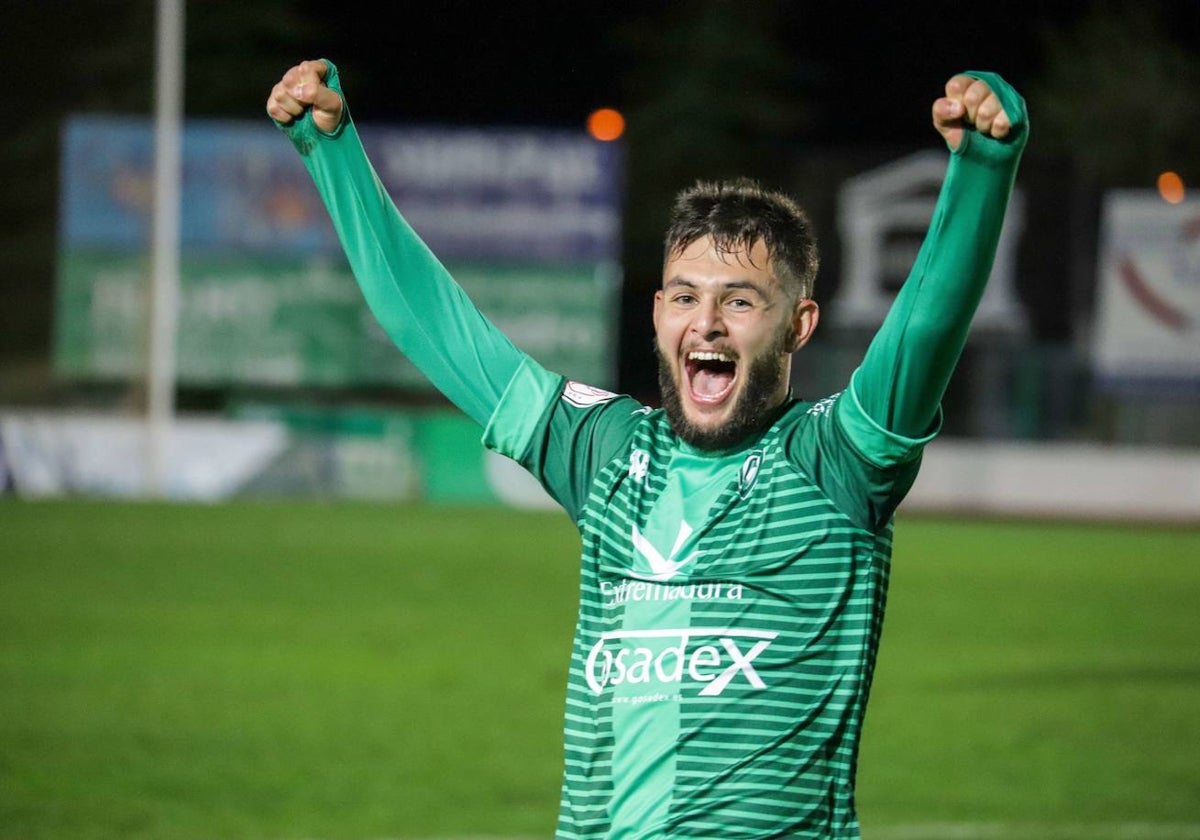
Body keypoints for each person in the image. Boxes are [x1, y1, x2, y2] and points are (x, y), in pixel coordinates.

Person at [267, 59, 1027, 839]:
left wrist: (980, 170)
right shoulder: (604, 452)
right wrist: (332, 153)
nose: (708, 324)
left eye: (740, 301)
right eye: (687, 298)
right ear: (659, 313)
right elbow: (431, 325)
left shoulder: (837, 459)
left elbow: (927, 324)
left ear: (798, 326)